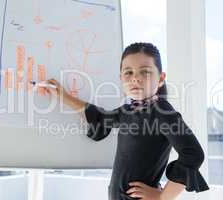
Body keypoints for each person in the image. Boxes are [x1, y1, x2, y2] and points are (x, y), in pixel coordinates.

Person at [41, 42, 209, 200]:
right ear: (120, 78)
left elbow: (193, 154)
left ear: (160, 78)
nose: (135, 78)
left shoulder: (163, 112)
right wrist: (63, 96)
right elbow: (100, 118)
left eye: (145, 72)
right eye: (128, 72)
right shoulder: (127, 110)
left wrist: (162, 197)